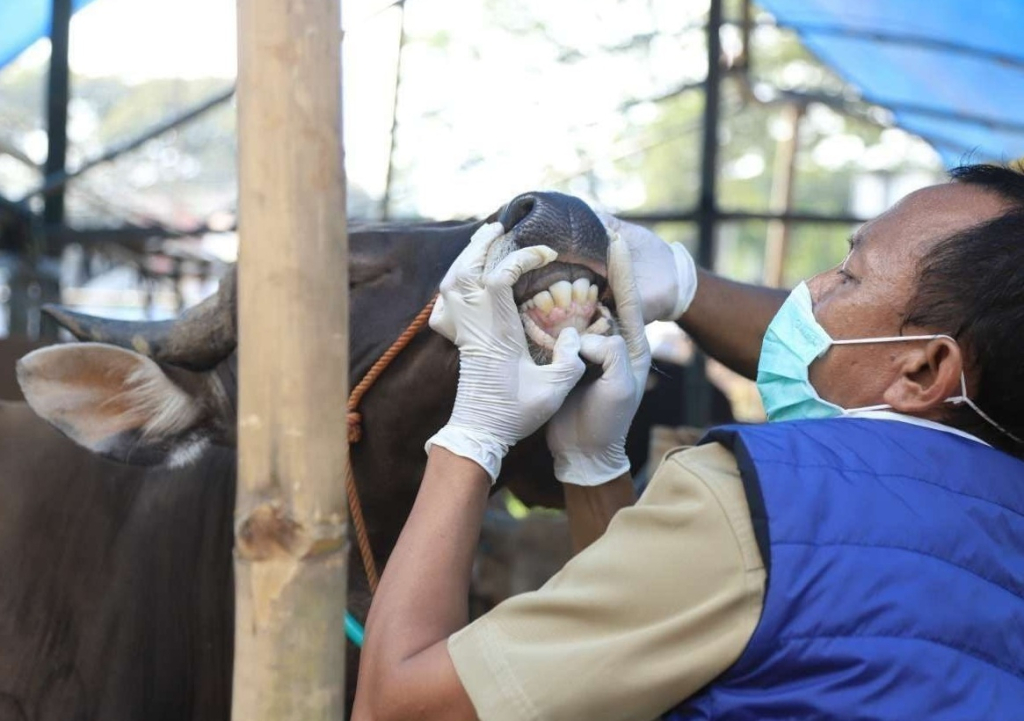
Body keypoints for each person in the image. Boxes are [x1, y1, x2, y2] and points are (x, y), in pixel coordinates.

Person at [352, 163, 1024, 720]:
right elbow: (649, 640)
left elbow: (400, 706)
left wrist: (474, 435)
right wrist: (594, 466)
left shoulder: (767, 503)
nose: (809, 288)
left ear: (925, 369)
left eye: (847, 275)